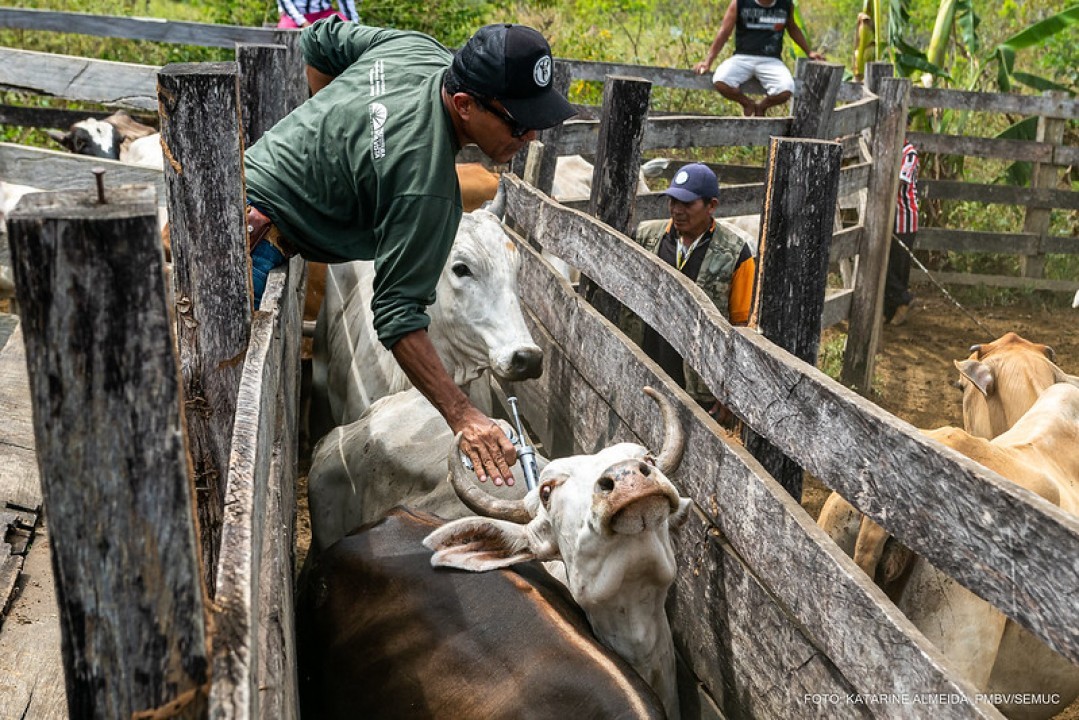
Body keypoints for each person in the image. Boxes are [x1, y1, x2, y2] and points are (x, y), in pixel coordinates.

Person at [243, 19, 576, 485]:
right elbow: (397, 314)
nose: (531, 138)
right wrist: (464, 416)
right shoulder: (426, 190)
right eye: (520, 123)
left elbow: (318, 41)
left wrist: (336, 128)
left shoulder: (415, 48)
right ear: (464, 104)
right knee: (222, 416)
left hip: (235, 198)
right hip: (247, 253)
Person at [630, 163, 756, 418]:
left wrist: (731, 389)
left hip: (699, 388)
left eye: (687, 204)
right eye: (673, 201)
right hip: (646, 371)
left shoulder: (736, 253)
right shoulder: (645, 238)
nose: (677, 211)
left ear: (712, 206)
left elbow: (742, 326)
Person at [693, 0, 824, 117]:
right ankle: (747, 103)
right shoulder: (740, 3)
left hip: (771, 60)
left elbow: (793, 28)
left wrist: (809, 52)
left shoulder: (785, 5)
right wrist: (707, 62)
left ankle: (761, 107)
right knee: (720, 80)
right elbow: (724, 32)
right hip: (742, 57)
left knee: (786, 89)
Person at [885, 139, 919, 325]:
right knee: (886, 264)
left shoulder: (909, 153)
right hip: (888, 219)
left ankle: (904, 301)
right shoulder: (887, 148)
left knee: (897, 267)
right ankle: (894, 307)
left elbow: (899, 182)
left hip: (904, 219)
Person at [276, 0, 359, 29]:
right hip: (293, 16)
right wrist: (302, 22)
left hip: (324, 14)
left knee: (343, 28)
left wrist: (353, 24)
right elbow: (284, 2)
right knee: (284, 31)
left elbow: (345, 3)